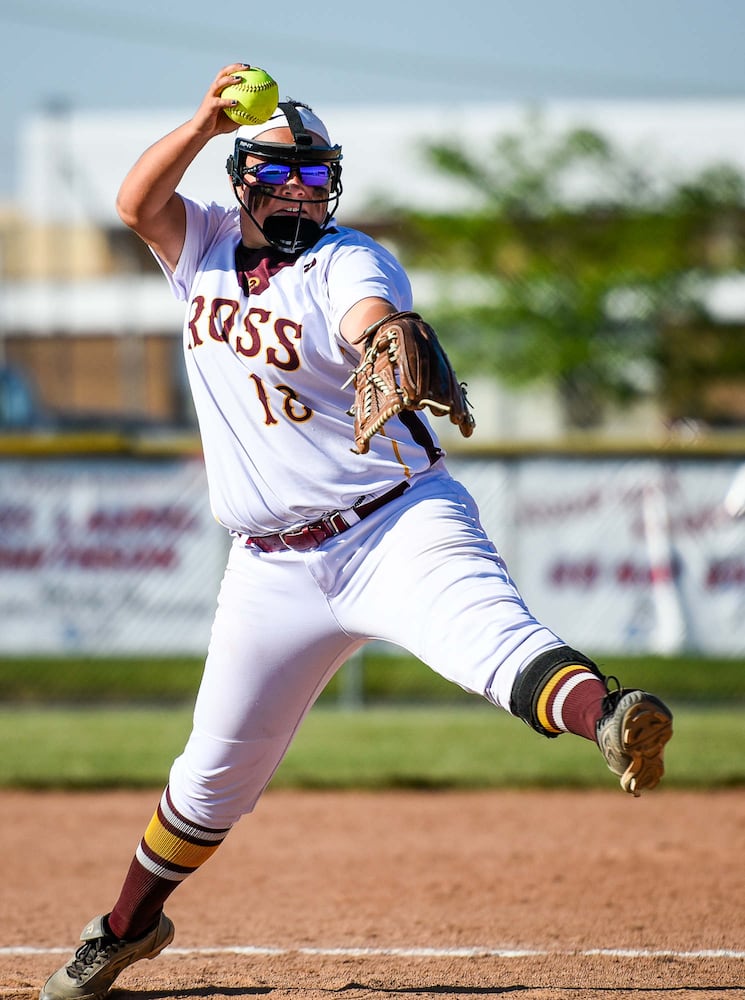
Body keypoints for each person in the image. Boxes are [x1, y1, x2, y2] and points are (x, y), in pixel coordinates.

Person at [40, 63, 673, 1000]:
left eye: (314, 175)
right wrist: (205, 122)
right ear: (240, 179)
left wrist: (384, 335)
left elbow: (371, 309)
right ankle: (126, 928)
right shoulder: (202, 243)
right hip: (270, 569)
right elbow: (137, 201)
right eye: (281, 175)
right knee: (211, 778)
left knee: (494, 642)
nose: (300, 191)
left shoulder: (346, 259)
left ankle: (611, 719)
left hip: (393, 523)